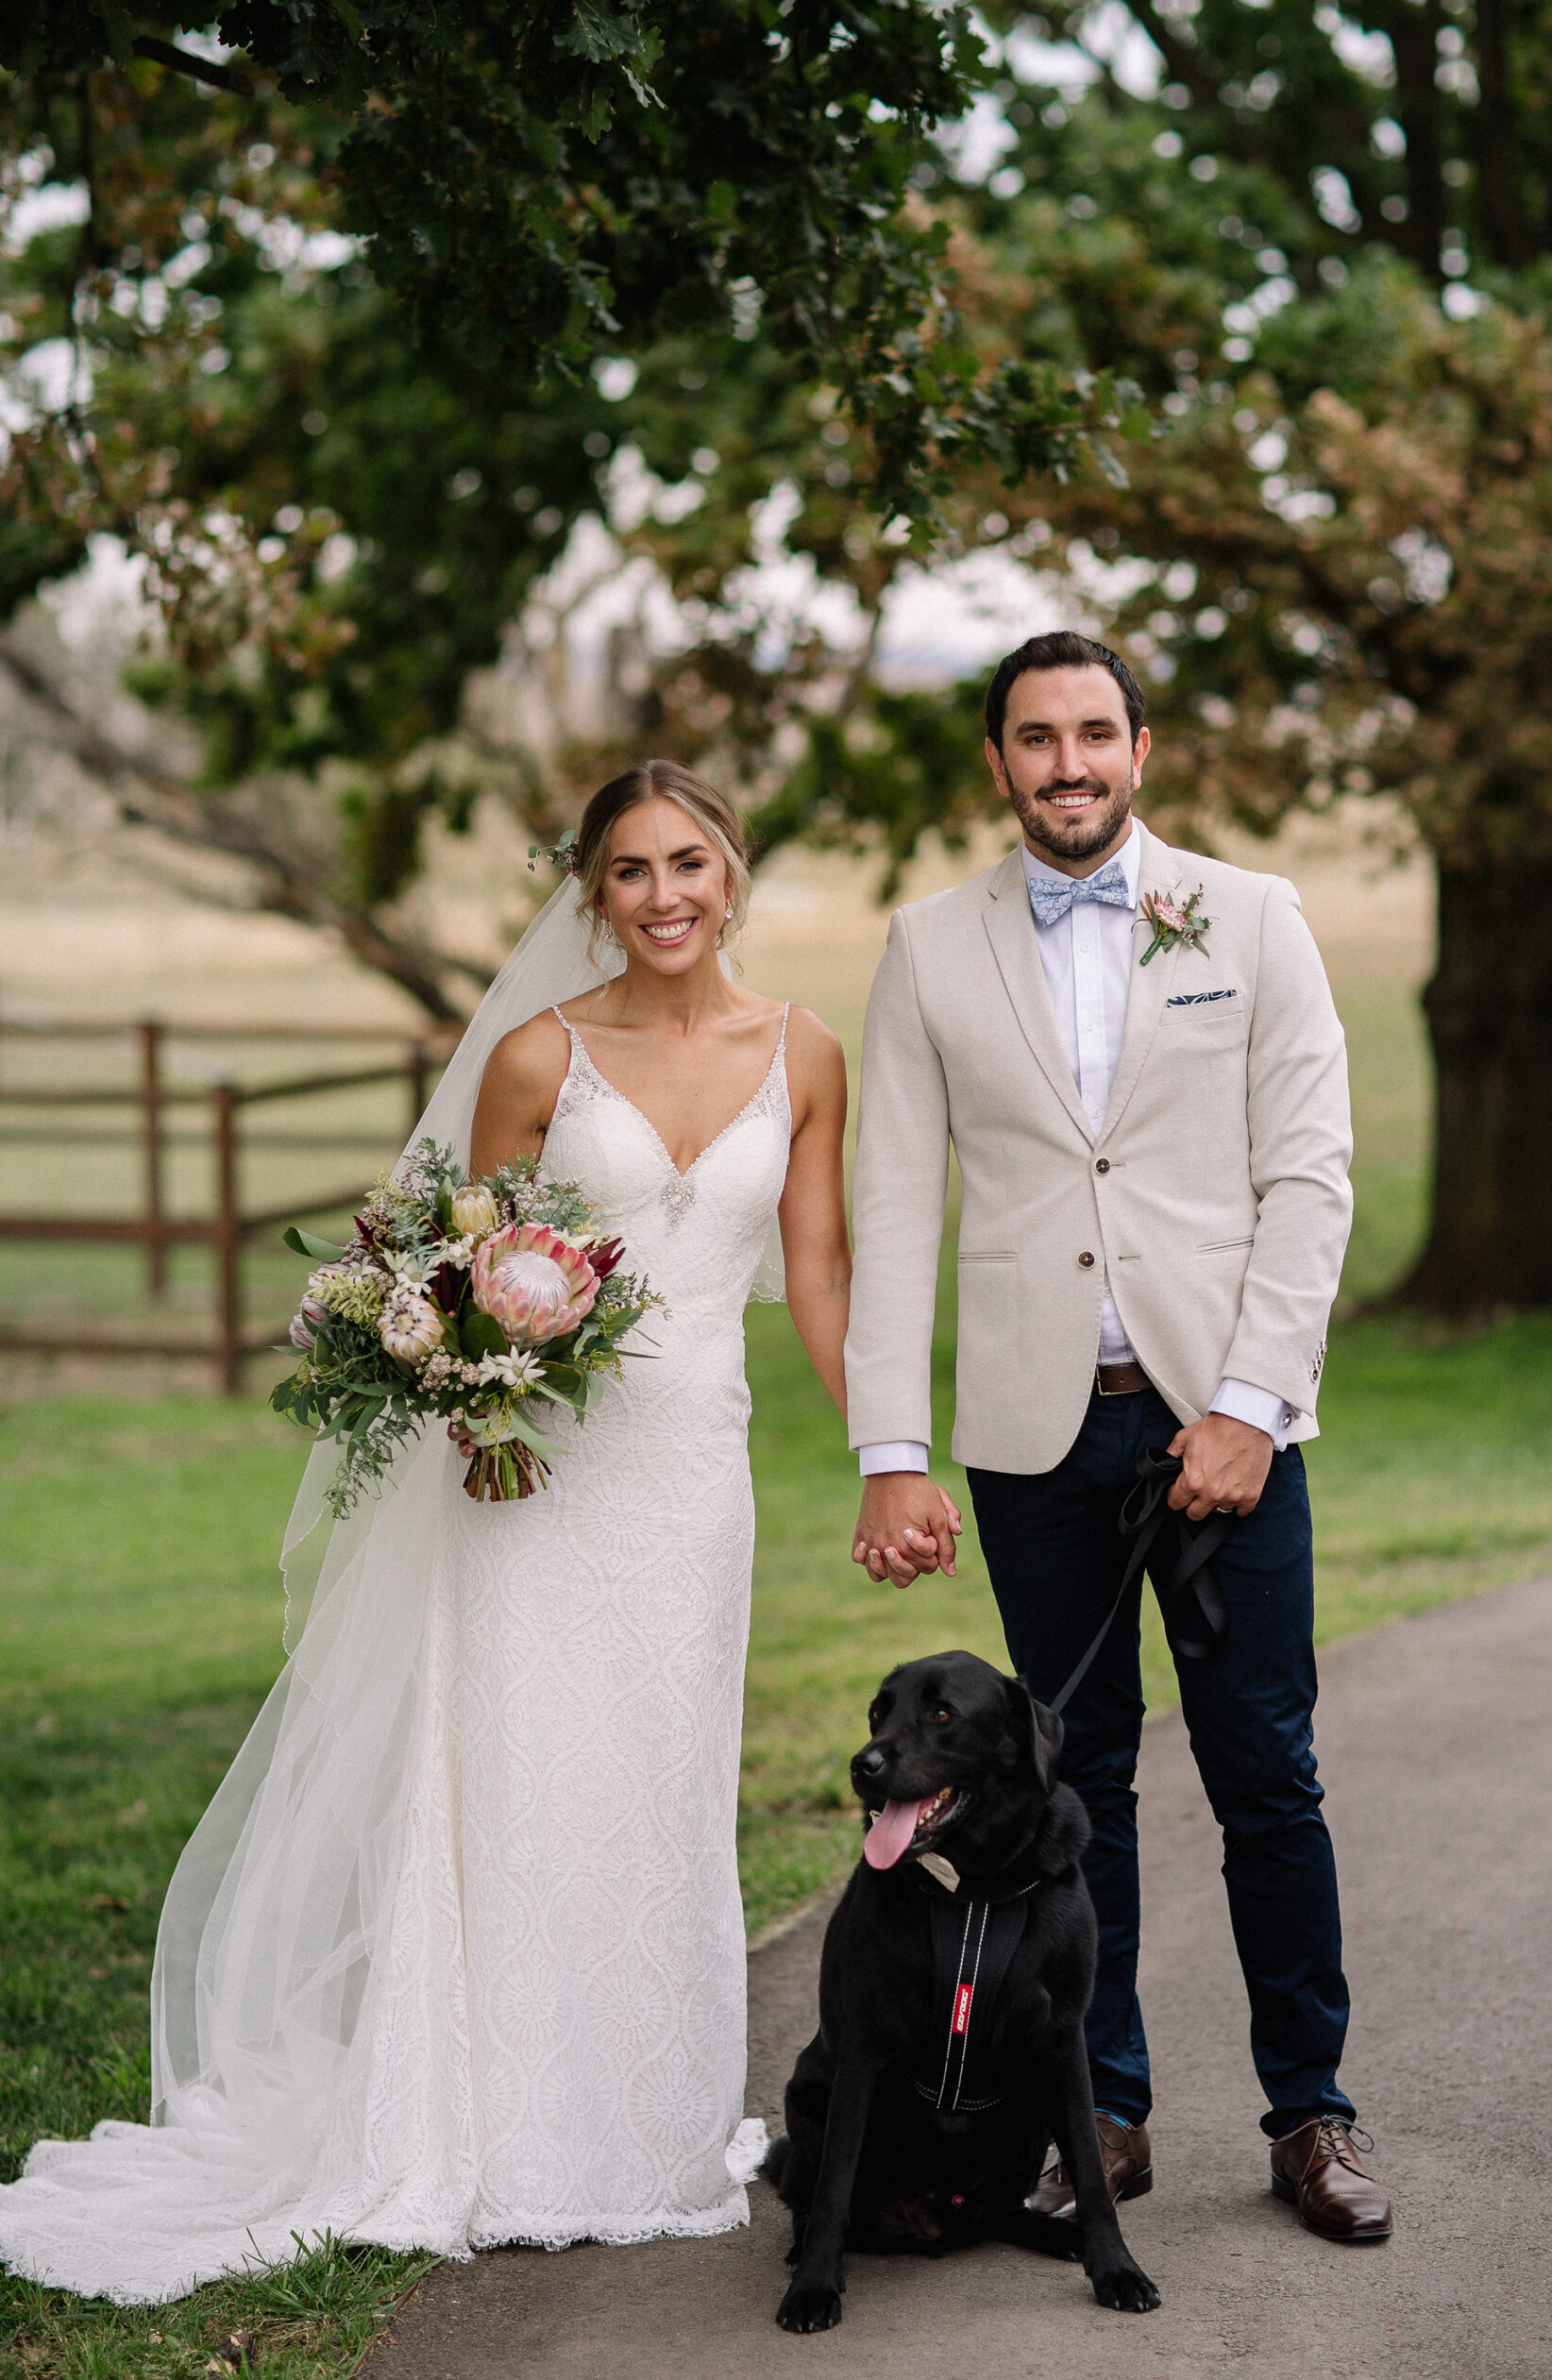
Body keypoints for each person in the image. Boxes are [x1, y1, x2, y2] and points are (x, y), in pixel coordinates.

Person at [0, 761, 856, 2303]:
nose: (663, 897)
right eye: (629, 873)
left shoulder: (807, 1054)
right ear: (591, 895)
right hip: (526, 1478)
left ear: (733, 872)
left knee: (663, 1780)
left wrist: (892, 1456)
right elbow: (446, 1257)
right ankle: (501, 2132)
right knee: (518, 1777)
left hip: (690, 1482)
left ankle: (646, 2131)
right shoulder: (538, 1054)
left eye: (689, 863)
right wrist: (468, 1393)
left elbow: (821, 1275)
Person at [843, 631, 1392, 2243]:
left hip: (1223, 1427)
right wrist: (891, 1443)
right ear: (998, 762)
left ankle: (1312, 2114)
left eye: (1096, 734)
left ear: (1140, 750)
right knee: (1072, 1780)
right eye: (1035, 738)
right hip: (1034, 1435)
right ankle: (1109, 2108)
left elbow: (1312, 1173)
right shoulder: (927, 944)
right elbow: (892, 1208)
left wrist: (1250, 1402)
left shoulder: (1252, 916)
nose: (1066, 763)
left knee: (1266, 1776)